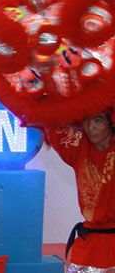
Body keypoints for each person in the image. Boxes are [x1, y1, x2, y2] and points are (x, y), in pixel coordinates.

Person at [45, 111, 115, 271]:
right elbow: (53, 122)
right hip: (89, 243)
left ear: (111, 122)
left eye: (98, 120)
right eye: (86, 120)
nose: (91, 127)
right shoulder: (79, 149)